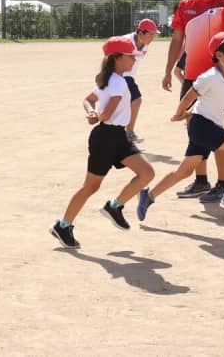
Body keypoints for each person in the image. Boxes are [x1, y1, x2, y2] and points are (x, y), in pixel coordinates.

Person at [50, 36, 155, 249]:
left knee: (147, 173)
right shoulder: (117, 82)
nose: (134, 60)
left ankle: (114, 207)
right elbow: (107, 115)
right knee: (91, 186)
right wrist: (98, 116)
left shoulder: (108, 80)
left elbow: (88, 100)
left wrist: (92, 113)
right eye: (130, 57)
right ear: (116, 58)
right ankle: (63, 225)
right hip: (106, 139)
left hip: (118, 137)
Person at [138, 32, 224, 221]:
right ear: (219, 55)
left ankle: (148, 195)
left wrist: (194, 113)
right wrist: (179, 113)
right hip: (202, 127)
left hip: (209, 126)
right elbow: (189, 96)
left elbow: (213, 102)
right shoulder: (209, 76)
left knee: (184, 171)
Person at [162, 0, 224, 201]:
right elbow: (177, 39)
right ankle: (201, 181)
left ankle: (223, 184)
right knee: (194, 131)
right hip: (192, 77)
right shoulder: (186, 5)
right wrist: (168, 69)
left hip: (216, 78)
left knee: (217, 131)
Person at [123, 18, 160, 142]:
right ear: (140, 33)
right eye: (151, 34)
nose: (153, 38)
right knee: (136, 99)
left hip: (129, 76)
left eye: (154, 35)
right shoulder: (126, 41)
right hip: (120, 75)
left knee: (125, 103)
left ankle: (123, 133)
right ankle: (128, 132)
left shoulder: (144, 45)